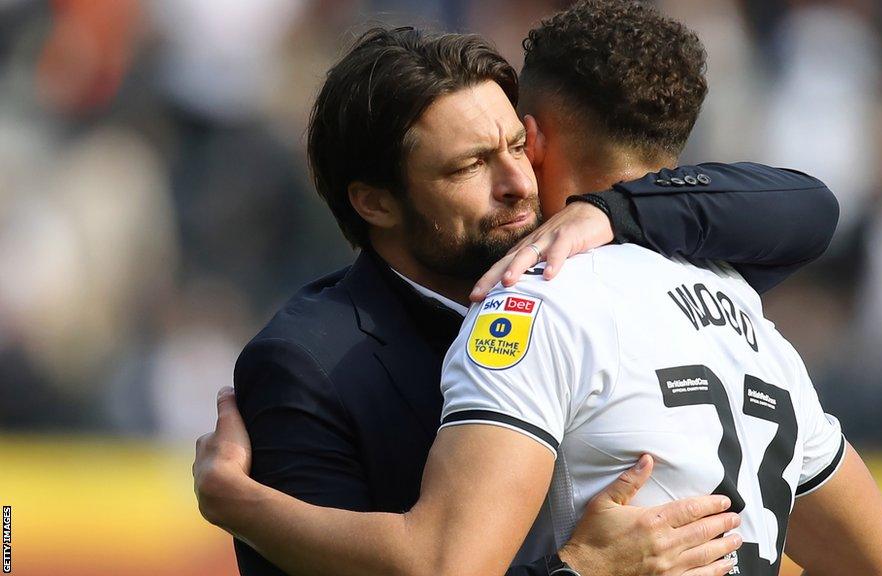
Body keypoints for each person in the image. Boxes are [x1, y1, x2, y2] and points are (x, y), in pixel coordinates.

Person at [195, 4, 845, 575]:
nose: (519, 183)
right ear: (374, 202)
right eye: (471, 165)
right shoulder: (310, 364)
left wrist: (624, 209)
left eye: (515, 145)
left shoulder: (597, 280)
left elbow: (807, 208)